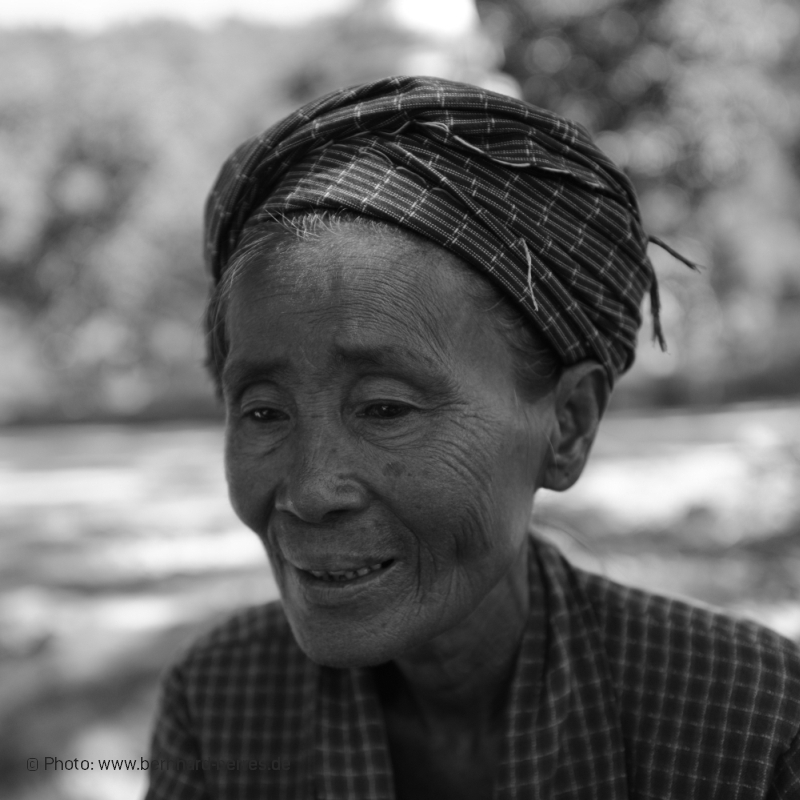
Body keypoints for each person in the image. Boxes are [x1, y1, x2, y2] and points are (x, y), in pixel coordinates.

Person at [145, 76, 800, 800]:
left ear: (569, 425)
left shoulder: (749, 726)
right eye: (264, 412)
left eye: (385, 408)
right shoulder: (217, 704)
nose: (308, 491)